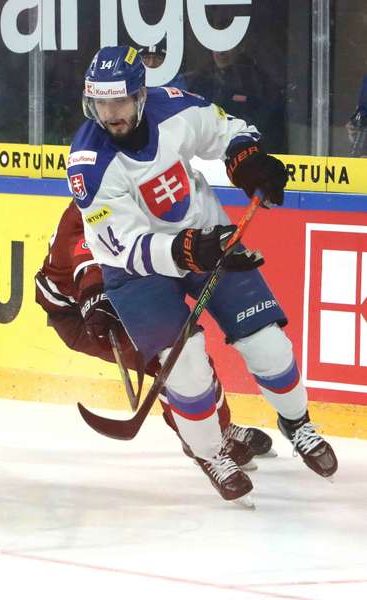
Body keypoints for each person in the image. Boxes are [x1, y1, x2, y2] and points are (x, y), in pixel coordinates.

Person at [64, 46, 337, 505]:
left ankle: (298, 423)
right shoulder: (88, 164)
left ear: (140, 95)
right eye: (101, 104)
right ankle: (211, 453)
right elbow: (123, 246)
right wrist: (184, 250)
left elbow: (227, 129)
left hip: (206, 237)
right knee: (187, 366)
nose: (110, 114)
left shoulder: (173, 108)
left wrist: (246, 158)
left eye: (120, 101)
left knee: (268, 343)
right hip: (137, 270)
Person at [34, 201, 274, 472]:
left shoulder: (131, 195)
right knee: (172, 361)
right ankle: (199, 440)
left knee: (188, 353)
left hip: (119, 294)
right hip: (79, 315)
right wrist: (94, 295)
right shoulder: (94, 209)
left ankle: (220, 428)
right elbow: (85, 255)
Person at [185, 44, 285, 152]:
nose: (221, 52)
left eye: (227, 45)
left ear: (240, 47)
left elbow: (269, 121)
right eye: (216, 46)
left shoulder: (257, 80)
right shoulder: (201, 80)